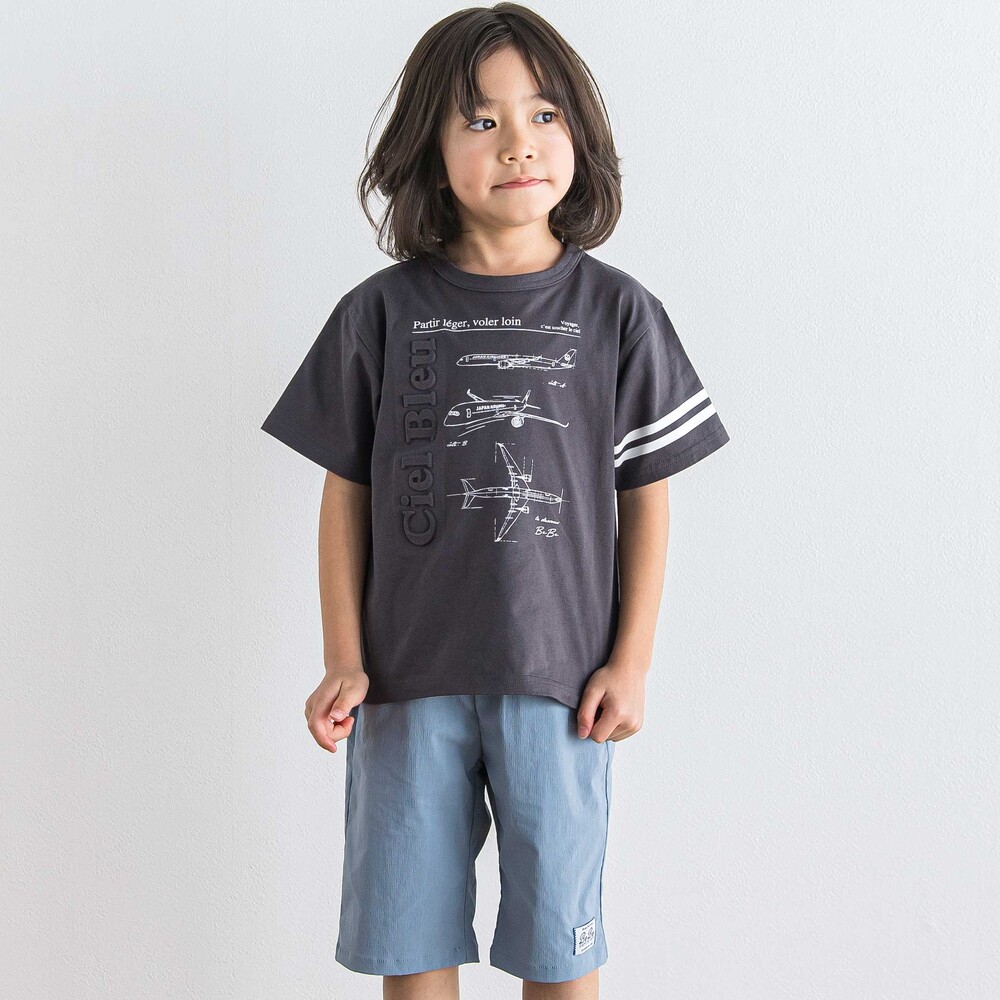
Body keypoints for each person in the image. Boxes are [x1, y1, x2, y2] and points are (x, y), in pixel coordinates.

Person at [260, 4, 730, 997]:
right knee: (408, 942)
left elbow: (646, 495)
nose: (519, 142)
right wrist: (343, 658)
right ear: (429, 154)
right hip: (402, 684)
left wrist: (631, 662)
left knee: (560, 946)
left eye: (544, 114)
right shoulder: (378, 315)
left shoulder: (619, 314)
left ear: (579, 135)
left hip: (562, 687)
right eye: (481, 120)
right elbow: (345, 495)